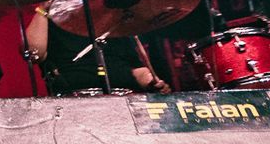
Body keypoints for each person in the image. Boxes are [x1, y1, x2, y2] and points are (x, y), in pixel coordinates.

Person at [24, 6, 168, 95]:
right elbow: (33, 54)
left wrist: (152, 82)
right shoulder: (52, 26)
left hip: (125, 99)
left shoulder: (113, 26)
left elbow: (137, 70)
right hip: (75, 101)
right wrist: (42, 10)